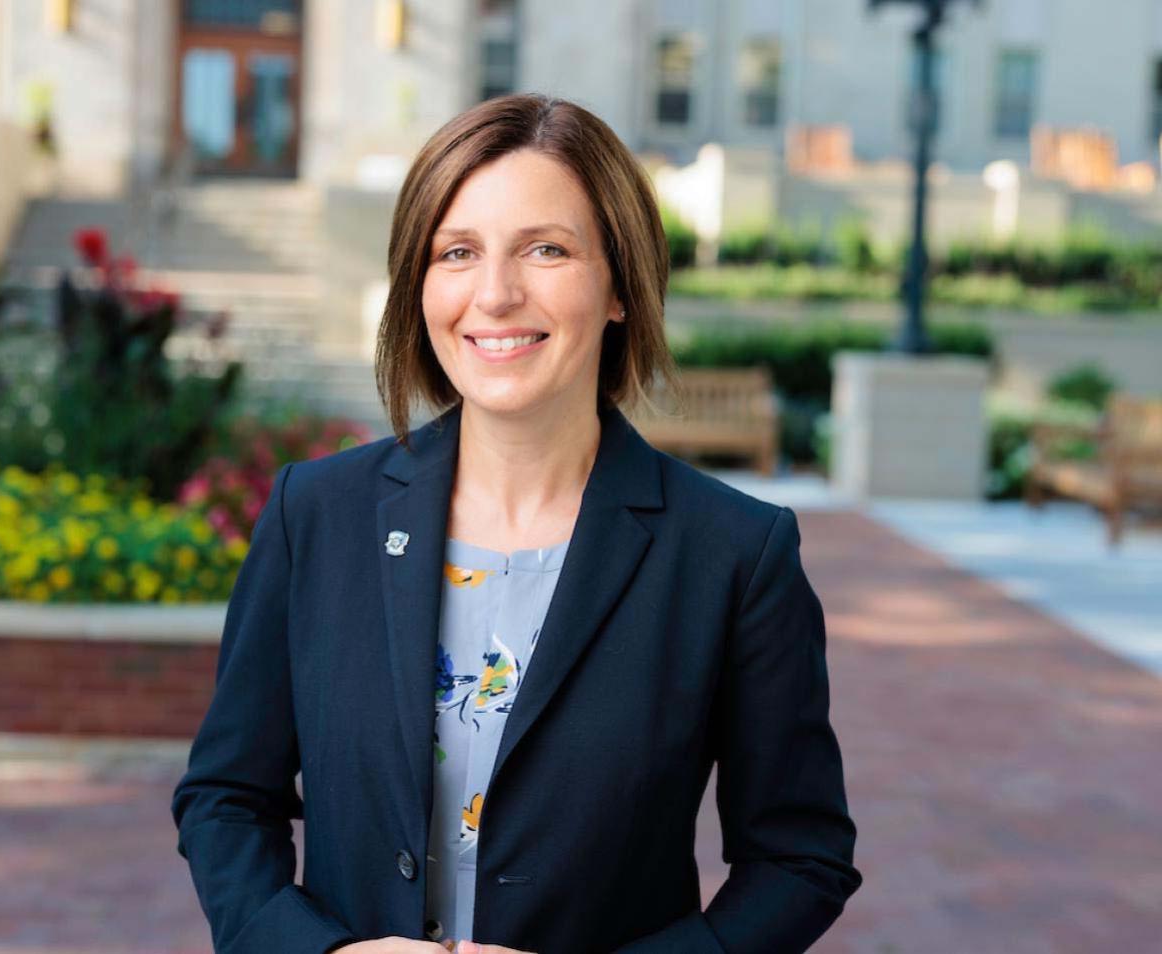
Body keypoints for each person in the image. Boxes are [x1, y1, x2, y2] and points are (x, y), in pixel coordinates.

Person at [171, 92, 862, 954]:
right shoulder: (315, 517)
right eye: (456, 252)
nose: (494, 294)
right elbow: (225, 799)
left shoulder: (733, 554)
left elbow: (801, 859)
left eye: (546, 249)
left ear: (620, 286)